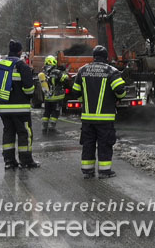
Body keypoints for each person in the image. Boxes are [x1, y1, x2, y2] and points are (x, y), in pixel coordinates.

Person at [71, 45, 126, 179]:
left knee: (88, 144)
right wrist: (118, 98)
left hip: (87, 118)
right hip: (105, 118)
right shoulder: (112, 71)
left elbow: (76, 91)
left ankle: (87, 171)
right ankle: (104, 171)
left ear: (93, 57)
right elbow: (120, 90)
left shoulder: (82, 70)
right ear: (106, 57)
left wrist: (84, 100)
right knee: (105, 144)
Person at [0, 40, 39, 170]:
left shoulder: (0, 65)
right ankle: (26, 160)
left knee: (8, 133)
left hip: (3, 108)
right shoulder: (21, 65)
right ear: (20, 51)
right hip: (20, 109)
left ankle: (9, 161)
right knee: (24, 134)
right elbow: (29, 89)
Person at [41, 55, 68, 132]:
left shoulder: (44, 72)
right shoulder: (57, 72)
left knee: (47, 111)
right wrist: (63, 71)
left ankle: (44, 125)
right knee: (55, 112)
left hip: (47, 98)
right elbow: (65, 78)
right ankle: (52, 126)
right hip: (57, 97)